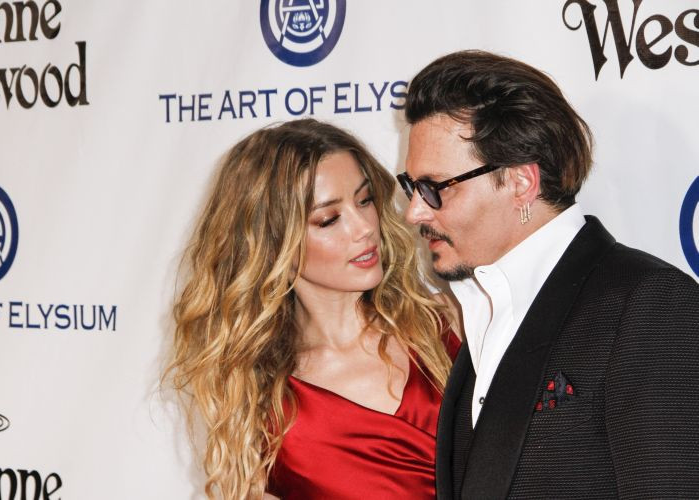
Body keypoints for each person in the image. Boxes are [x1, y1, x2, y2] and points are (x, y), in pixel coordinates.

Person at [398, 50, 699, 499]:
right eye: (411, 187)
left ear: (521, 182)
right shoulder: (482, 311)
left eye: (434, 188)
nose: (414, 212)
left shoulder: (651, 305)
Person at [168, 118, 460, 499]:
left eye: (365, 200)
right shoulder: (262, 406)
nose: (364, 227)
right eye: (329, 219)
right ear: (275, 246)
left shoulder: (447, 323)